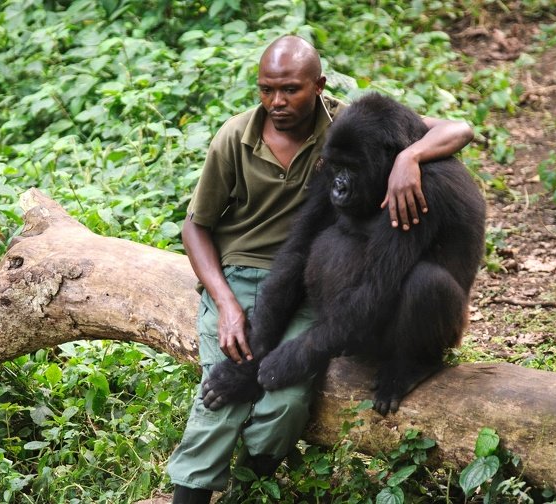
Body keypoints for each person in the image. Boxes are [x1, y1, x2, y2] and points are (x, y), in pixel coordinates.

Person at [167, 35, 474, 504]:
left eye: (290, 89)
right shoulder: (319, 149)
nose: (340, 183)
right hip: (301, 295)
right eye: (266, 89)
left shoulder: (415, 187)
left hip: (413, 317)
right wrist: (260, 353)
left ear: (316, 87)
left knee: (422, 285)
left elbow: (378, 287)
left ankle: (412, 365)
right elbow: (294, 254)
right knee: (236, 383)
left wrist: (299, 353)